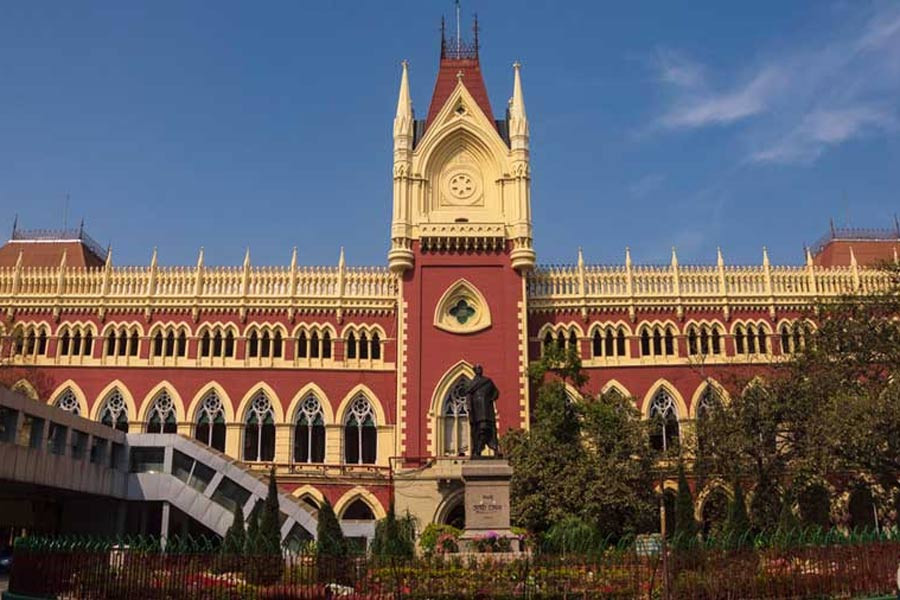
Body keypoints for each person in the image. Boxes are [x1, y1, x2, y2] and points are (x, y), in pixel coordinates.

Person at [464, 365, 500, 458]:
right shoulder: (471, 384)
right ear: (475, 371)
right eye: (477, 369)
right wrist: (469, 408)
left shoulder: (488, 381)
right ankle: (478, 450)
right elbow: (468, 397)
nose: (480, 370)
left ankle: (494, 448)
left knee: (489, 429)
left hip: (487, 410)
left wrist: (490, 398)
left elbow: (496, 392)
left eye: (481, 368)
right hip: (477, 411)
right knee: (480, 430)